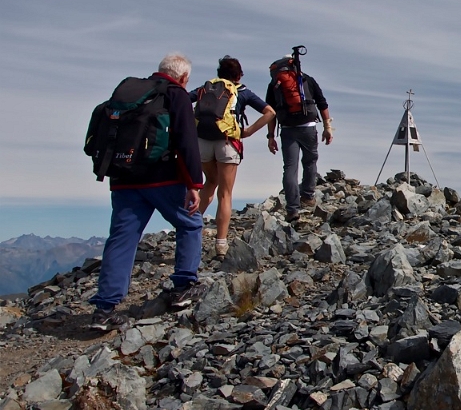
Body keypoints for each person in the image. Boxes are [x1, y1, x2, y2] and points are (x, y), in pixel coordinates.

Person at [89, 53, 208, 331]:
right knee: (189, 223)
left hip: (122, 178)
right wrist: (194, 184)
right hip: (162, 178)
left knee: (122, 238)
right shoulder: (175, 94)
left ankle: (104, 309)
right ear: (183, 77)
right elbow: (187, 141)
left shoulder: (131, 94)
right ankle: (183, 287)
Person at [191, 56, 276, 258]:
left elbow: (182, 101)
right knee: (225, 193)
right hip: (228, 142)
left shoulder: (205, 89)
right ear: (239, 75)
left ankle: (189, 230)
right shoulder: (242, 91)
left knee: (209, 182)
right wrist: (248, 131)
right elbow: (270, 112)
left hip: (202, 140)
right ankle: (220, 245)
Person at [265, 55, 333, 222]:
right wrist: (327, 128)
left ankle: (292, 209)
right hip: (308, 128)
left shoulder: (275, 84)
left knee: (290, 167)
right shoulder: (306, 79)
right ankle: (308, 196)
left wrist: (271, 136)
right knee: (310, 162)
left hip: (287, 130)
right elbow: (322, 103)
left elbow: (270, 112)